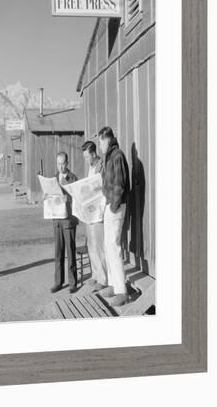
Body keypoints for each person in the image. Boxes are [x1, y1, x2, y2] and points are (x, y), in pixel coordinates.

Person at [98, 126, 130, 307]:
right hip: (110, 206)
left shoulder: (117, 155)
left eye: (101, 141)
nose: (100, 145)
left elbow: (119, 185)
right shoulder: (110, 156)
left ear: (107, 140)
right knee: (108, 246)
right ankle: (112, 284)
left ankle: (121, 292)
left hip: (115, 208)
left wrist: (113, 206)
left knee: (114, 246)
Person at [50, 152, 78, 294]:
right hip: (57, 220)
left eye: (63, 163)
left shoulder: (72, 178)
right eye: (58, 163)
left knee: (70, 251)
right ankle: (58, 282)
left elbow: (77, 197)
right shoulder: (53, 179)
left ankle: (73, 283)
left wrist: (69, 199)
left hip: (68, 220)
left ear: (67, 163)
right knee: (58, 252)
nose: (60, 166)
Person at [81, 141, 107, 291]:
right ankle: (95, 275)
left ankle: (103, 278)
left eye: (86, 157)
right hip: (89, 211)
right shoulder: (90, 168)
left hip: (98, 212)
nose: (85, 160)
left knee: (99, 246)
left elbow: (102, 187)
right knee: (91, 245)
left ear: (93, 154)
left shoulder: (101, 166)